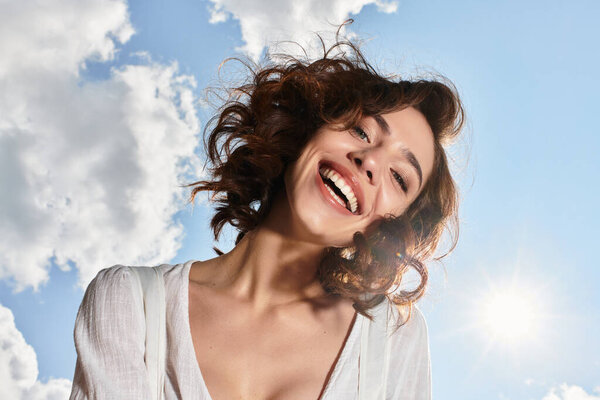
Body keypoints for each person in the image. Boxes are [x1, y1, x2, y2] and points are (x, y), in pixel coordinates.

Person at [69, 38, 464, 400]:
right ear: (308, 128)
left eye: (399, 177)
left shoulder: (394, 339)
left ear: (387, 226)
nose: (372, 161)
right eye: (361, 131)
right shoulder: (130, 303)